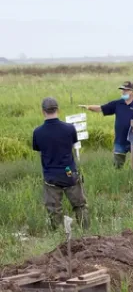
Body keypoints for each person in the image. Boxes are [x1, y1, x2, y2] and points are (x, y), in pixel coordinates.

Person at [33, 97, 89, 230]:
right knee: (80, 205)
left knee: (54, 209)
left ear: (43, 111)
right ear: (58, 110)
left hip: (51, 176)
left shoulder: (38, 132)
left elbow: (39, 150)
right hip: (69, 173)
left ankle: (58, 235)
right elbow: (73, 146)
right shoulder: (70, 128)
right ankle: (86, 232)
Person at [79, 81, 133, 168]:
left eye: (126, 90)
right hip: (120, 140)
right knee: (117, 165)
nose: (123, 92)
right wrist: (88, 107)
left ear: (132, 92)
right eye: (122, 90)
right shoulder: (117, 103)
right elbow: (101, 108)